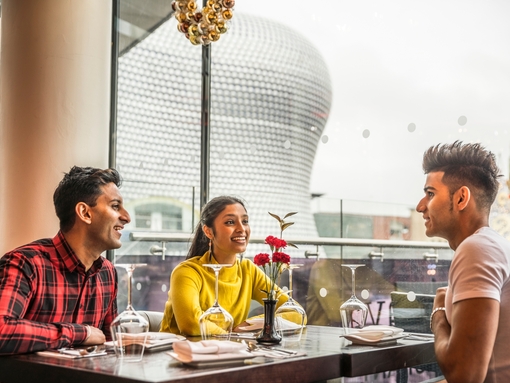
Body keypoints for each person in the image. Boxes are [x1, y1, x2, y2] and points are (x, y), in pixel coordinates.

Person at [0, 166, 130, 355]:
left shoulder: (107, 272)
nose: (126, 217)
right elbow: (2, 330)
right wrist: (80, 332)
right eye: (115, 206)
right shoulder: (25, 264)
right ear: (85, 213)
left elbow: (109, 344)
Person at [417, 141, 510, 383]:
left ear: (461, 199)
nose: (420, 207)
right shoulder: (493, 245)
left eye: (430, 194)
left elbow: (464, 377)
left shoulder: (476, 249)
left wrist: (437, 313)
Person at [160, 195, 293, 336]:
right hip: (176, 353)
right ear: (208, 231)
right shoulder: (187, 272)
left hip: (228, 352)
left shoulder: (247, 270)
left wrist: (248, 325)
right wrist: (232, 336)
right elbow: (191, 325)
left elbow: (293, 312)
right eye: (230, 222)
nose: (241, 228)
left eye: (245, 221)